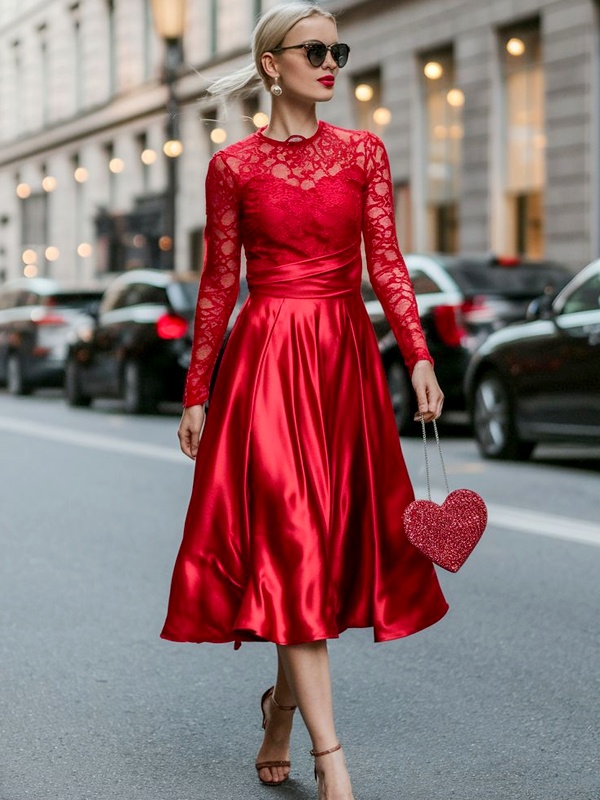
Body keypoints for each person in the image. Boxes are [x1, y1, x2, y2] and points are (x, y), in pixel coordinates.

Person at [161, 3, 448, 798]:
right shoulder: (233, 167)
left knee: (321, 548)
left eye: (338, 49)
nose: (331, 62)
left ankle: (281, 710)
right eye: (314, 50)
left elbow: (387, 261)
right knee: (290, 543)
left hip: (342, 361)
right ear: (271, 64)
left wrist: (417, 355)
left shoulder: (364, 153)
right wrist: (198, 389)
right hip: (264, 369)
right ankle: (334, 762)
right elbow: (220, 282)